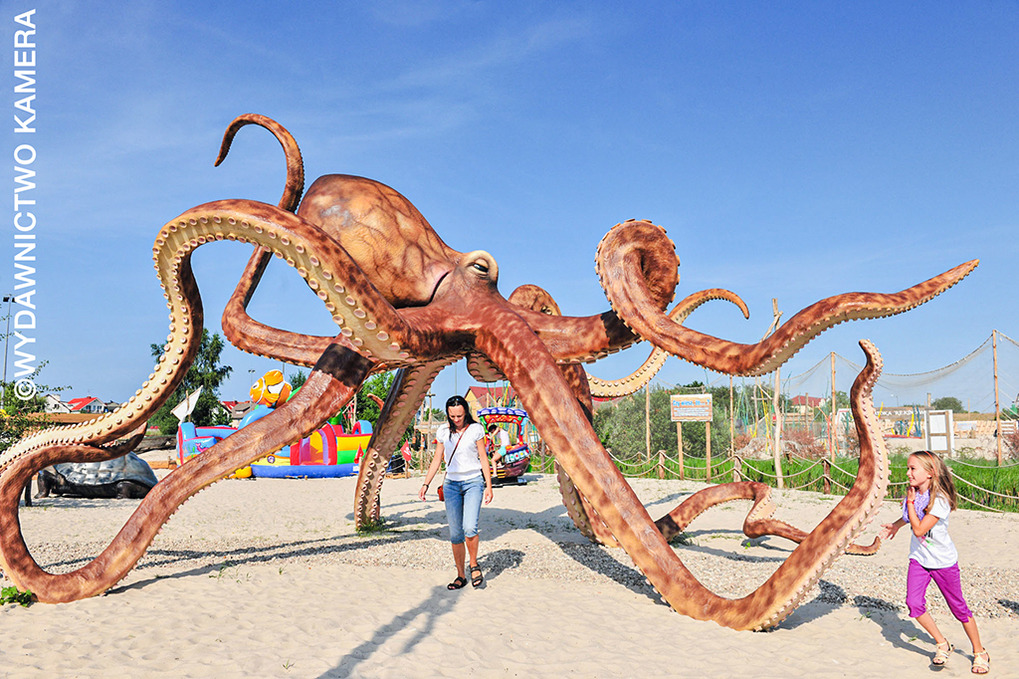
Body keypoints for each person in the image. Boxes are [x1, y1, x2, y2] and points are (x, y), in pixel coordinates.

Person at [880, 451, 990, 674]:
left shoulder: (939, 500)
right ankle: (942, 643)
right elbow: (910, 517)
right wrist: (896, 525)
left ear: (930, 473)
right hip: (919, 560)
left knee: (958, 608)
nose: (908, 473)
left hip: (943, 562)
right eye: (908, 468)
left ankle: (979, 652)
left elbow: (919, 529)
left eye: (913, 469)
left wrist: (910, 502)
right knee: (914, 604)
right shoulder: (916, 494)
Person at [419, 395, 494, 590]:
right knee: (455, 534)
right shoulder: (443, 431)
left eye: (459, 415)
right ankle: (461, 575)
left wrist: (489, 486)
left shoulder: (476, 429)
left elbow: (483, 458)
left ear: (465, 412)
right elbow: (437, 459)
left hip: (473, 483)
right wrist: (426, 484)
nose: (456, 419)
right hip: (451, 485)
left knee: (470, 528)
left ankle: (474, 565)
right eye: (452, 416)